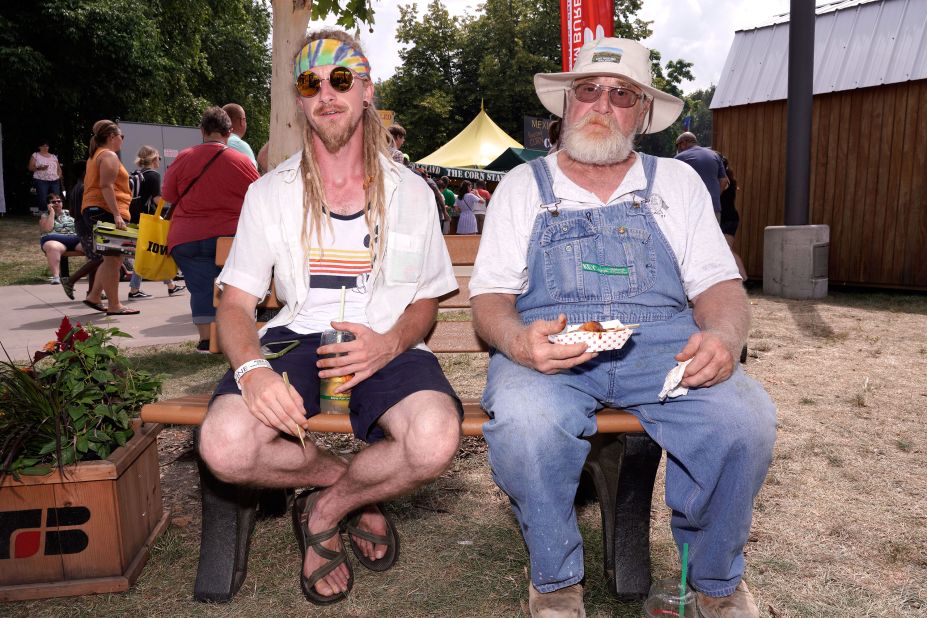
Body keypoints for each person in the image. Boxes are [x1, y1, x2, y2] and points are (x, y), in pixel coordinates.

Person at [469, 37, 776, 617]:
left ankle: (715, 586)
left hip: (663, 344)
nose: (602, 105)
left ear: (641, 112)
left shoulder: (677, 184)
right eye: (588, 90)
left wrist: (723, 338)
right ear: (567, 103)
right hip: (553, 346)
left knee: (744, 419)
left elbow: (720, 288)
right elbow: (489, 298)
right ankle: (556, 584)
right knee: (529, 420)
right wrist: (516, 342)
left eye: (622, 94)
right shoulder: (523, 186)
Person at [197, 29, 462, 606]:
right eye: (311, 82)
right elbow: (237, 303)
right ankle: (351, 486)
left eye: (342, 78)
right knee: (224, 446)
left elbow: (424, 301)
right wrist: (252, 372)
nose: (327, 93)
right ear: (300, 97)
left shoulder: (413, 193)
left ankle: (326, 509)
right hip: (296, 338)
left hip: (384, 337)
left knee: (436, 438)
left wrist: (391, 344)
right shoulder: (270, 192)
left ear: (367, 89)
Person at [162, 106, 259, 352]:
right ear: (229, 132)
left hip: (187, 237)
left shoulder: (184, 157)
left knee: (200, 287)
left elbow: (168, 194)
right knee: (232, 288)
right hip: (229, 236)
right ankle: (231, 340)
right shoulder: (241, 160)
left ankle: (206, 341)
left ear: (202, 131)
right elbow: (259, 195)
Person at [80, 120, 139, 315]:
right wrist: (116, 215)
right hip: (106, 210)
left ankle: (94, 296)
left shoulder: (95, 155)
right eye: (121, 136)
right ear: (112, 137)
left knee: (110, 259)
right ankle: (114, 305)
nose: (122, 140)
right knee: (114, 260)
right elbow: (107, 186)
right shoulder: (109, 155)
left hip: (94, 209)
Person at [126, 145, 186, 299]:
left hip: (135, 218)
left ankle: (170, 286)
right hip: (149, 219)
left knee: (152, 251)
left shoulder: (137, 174)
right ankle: (135, 290)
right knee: (155, 250)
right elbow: (157, 199)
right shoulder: (153, 175)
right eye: (158, 158)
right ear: (153, 159)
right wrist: (174, 200)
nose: (159, 161)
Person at [62, 161, 102, 300]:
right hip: (87, 227)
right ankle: (71, 280)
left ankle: (92, 292)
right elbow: (86, 210)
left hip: (81, 226)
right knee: (99, 258)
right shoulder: (85, 187)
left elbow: (72, 212)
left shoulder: (76, 188)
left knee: (95, 258)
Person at [674, 131, 729, 220]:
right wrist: (713, 196)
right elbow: (724, 180)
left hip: (692, 210)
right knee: (712, 234)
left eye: (677, 145)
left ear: (683, 143)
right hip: (713, 208)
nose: (677, 149)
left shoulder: (680, 158)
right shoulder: (714, 155)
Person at [38, 192, 81, 284]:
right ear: (48, 204)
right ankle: (56, 277)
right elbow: (47, 229)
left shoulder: (70, 213)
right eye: (53, 202)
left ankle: (95, 274)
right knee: (52, 247)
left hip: (74, 239)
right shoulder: (45, 215)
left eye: (59, 201)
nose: (57, 203)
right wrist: (52, 213)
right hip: (56, 241)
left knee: (93, 246)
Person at [720, 155, 747, 281]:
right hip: (730, 218)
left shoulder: (724, 181)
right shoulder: (729, 179)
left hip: (727, 219)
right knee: (725, 249)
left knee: (727, 249)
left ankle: (743, 276)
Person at [28, 140, 62, 211]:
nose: (45, 147)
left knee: (56, 197)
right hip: (41, 180)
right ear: (39, 147)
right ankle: (44, 212)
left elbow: (59, 168)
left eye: (47, 146)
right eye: (43, 146)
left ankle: (56, 212)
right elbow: (30, 167)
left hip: (54, 180)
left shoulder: (53, 156)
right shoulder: (36, 155)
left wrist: (59, 176)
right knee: (42, 197)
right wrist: (39, 168)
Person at [223, 103, 258, 169]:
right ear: (242, 121)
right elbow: (253, 174)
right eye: (245, 119)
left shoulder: (214, 143)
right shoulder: (240, 145)